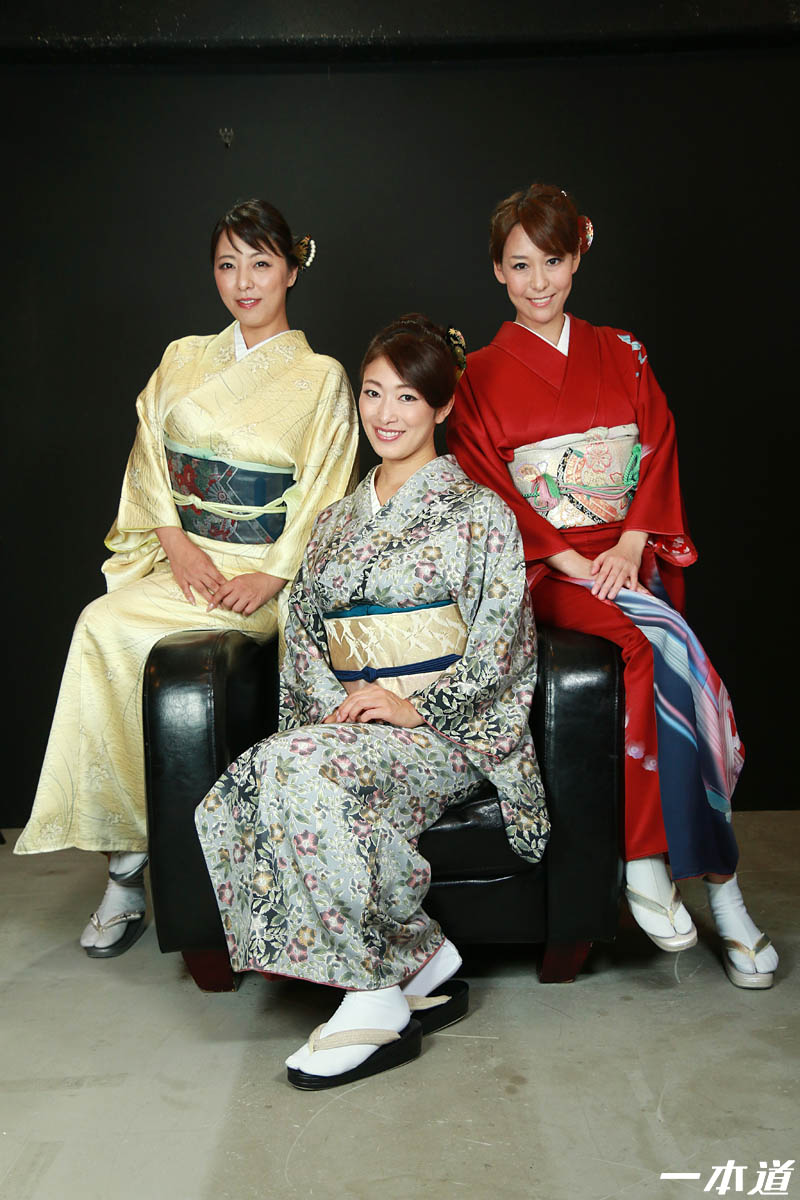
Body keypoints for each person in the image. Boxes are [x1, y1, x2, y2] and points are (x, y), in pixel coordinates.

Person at [195, 314, 548, 1089]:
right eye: (373, 393)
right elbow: (304, 630)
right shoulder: (333, 523)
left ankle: (376, 995)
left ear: (442, 406)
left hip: (447, 732)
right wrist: (342, 708)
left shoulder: (480, 514)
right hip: (355, 722)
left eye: (408, 398)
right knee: (264, 771)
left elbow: (503, 642)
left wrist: (417, 707)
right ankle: (415, 954)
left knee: (298, 772)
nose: (386, 414)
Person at [447, 183, 778, 990]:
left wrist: (631, 542)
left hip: (625, 555)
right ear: (496, 270)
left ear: (577, 258)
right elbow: (486, 486)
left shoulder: (622, 351)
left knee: (683, 667)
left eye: (553, 261)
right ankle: (650, 860)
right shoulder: (477, 375)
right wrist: (568, 560)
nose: (538, 282)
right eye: (519, 265)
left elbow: (656, 445)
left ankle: (715, 887)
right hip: (548, 568)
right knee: (648, 647)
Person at [15, 198, 360, 959]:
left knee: (141, 638)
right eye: (227, 265)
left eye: (261, 264)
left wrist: (272, 575)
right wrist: (174, 543)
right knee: (101, 628)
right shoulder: (182, 356)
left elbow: (327, 491)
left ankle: (170, 865)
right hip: (185, 559)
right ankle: (124, 869)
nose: (244, 282)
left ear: (291, 270)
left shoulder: (323, 378)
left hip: (258, 576)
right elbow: (149, 453)